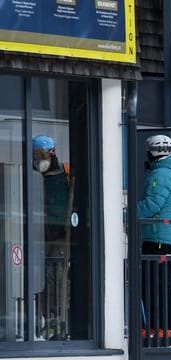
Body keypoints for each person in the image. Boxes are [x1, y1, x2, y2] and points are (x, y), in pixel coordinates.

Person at [137, 134, 171, 336]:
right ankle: (168, 326)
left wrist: (126, 213)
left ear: (152, 152)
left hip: (158, 236)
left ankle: (167, 326)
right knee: (161, 282)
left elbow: (152, 204)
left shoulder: (161, 174)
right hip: (167, 236)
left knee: (154, 283)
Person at [32, 134, 72, 339]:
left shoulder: (64, 174)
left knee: (58, 277)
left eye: (41, 154)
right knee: (41, 280)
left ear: (51, 153)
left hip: (61, 235)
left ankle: (59, 321)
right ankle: (47, 321)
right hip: (39, 235)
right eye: (35, 155)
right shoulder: (34, 176)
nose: (38, 159)